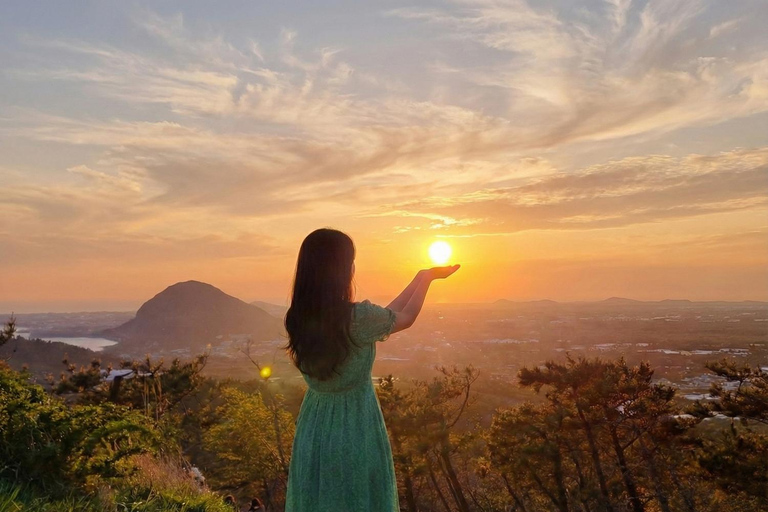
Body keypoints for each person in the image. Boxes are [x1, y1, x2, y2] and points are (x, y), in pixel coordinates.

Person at [284, 228, 460, 512]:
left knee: (318, 496)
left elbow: (385, 317)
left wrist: (417, 277)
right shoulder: (358, 318)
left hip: (314, 425)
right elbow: (405, 318)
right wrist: (426, 280)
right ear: (341, 270)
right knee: (358, 497)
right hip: (355, 423)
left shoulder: (297, 317)